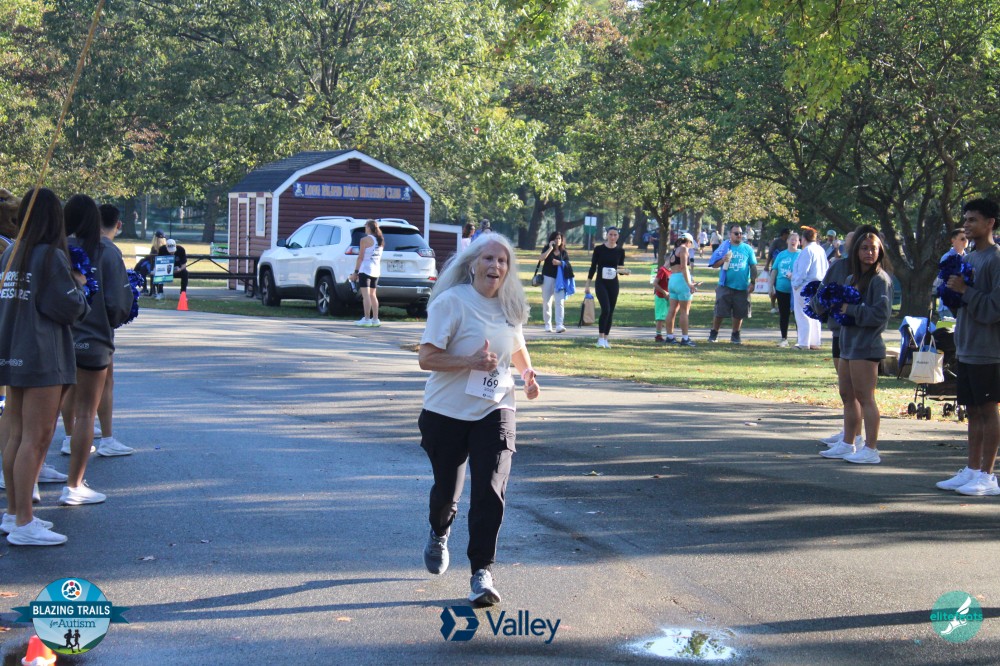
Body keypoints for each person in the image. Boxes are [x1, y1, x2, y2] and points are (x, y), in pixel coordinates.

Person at [417, 233, 540, 606]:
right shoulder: (451, 302)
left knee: (490, 488)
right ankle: (440, 531)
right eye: (488, 258)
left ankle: (481, 573)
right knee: (446, 493)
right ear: (472, 264)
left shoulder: (509, 305)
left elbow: (515, 344)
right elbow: (426, 357)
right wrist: (469, 362)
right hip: (446, 412)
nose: (495, 266)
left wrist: (527, 373)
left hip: (496, 406)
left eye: (502, 261)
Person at [0, 188, 89, 545]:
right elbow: (68, 307)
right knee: (36, 438)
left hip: (13, 350)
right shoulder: (50, 257)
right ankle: (24, 522)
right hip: (42, 355)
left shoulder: (10, 252)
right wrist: (80, 287)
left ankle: (13, 513)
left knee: (16, 434)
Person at [60, 195, 135, 507]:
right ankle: (74, 485)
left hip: (57, 339)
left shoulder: (55, 248)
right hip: (93, 339)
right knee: (85, 413)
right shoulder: (106, 251)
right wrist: (112, 319)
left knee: (44, 413)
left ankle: (31, 479)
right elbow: (118, 302)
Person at [937, 199, 1000, 495]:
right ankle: (972, 469)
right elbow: (962, 301)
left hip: (989, 350)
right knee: (972, 410)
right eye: (965, 219)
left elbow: (994, 308)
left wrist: (965, 291)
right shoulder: (970, 258)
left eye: (973, 219)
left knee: (988, 410)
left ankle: (988, 475)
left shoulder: (996, 259)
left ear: (990, 223)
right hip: (967, 345)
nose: (966, 225)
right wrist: (952, 292)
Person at [820, 225, 893, 464]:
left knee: (865, 397)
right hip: (848, 344)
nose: (869, 253)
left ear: (880, 252)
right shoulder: (851, 278)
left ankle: (871, 449)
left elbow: (880, 314)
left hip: (866, 346)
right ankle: (848, 442)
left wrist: (850, 309)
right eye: (864, 248)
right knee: (847, 395)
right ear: (856, 251)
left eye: (873, 249)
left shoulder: (880, 280)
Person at [817, 232, 866, 450]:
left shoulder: (872, 272)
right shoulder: (840, 266)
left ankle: (856, 436)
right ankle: (850, 431)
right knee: (847, 389)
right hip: (840, 330)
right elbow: (823, 292)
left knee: (854, 389)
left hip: (856, 333)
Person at [708, 225, 757, 344]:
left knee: (739, 313)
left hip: (742, 286)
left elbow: (753, 266)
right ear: (730, 234)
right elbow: (714, 265)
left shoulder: (747, 248)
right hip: (725, 285)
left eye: (740, 233)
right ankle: (714, 333)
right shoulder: (724, 247)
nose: (739, 235)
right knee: (719, 311)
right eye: (736, 233)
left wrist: (753, 282)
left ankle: (735, 334)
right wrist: (723, 260)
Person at [585, 227, 630, 348]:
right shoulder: (599, 249)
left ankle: (606, 339)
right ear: (607, 235)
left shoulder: (620, 251)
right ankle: (600, 338)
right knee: (606, 309)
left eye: (615, 235)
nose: (613, 237)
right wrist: (587, 284)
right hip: (601, 283)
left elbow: (620, 268)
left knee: (611, 311)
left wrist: (625, 272)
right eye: (610, 234)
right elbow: (593, 267)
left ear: (618, 236)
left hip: (613, 284)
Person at [791, 227, 829, 349]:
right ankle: (815, 341)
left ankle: (803, 342)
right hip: (819, 284)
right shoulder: (820, 249)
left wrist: (796, 284)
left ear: (803, 239)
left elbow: (803, 271)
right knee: (815, 314)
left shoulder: (807, 251)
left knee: (803, 314)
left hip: (806, 285)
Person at [662, 233, 698, 346]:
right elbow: (684, 267)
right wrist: (689, 283)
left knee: (672, 310)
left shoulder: (674, 251)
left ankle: (669, 336)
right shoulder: (684, 249)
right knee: (684, 311)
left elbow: (665, 267)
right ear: (689, 242)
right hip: (682, 281)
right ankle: (685, 338)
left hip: (673, 280)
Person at [768, 232, 800, 347]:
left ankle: (800, 339)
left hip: (796, 289)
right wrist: (770, 287)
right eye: (791, 239)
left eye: (796, 239)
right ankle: (784, 339)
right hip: (781, 289)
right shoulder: (781, 255)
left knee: (797, 315)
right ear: (787, 241)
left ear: (799, 242)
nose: (793, 241)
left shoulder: (801, 254)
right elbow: (774, 271)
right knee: (784, 314)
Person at [351, 219, 384, 327]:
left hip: (365, 269)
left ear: (369, 227)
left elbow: (360, 257)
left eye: (366, 226)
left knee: (366, 296)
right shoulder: (380, 240)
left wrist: (355, 272)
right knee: (373, 295)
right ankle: (375, 319)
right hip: (376, 270)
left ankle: (366, 319)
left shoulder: (364, 240)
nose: (365, 228)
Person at [539, 231, 569, 333]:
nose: (558, 240)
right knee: (547, 302)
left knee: (560, 302)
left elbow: (568, 265)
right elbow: (541, 258)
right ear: (552, 239)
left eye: (559, 238)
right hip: (547, 277)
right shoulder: (547, 248)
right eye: (556, 238)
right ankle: (548, 325)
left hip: (559, 280)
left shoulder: (563, 252)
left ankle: (559, 325)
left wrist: (560, 263)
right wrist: (550, 248)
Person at [936, 228, 969, 319]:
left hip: (962, 304)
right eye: (962, 239)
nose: (966, 241)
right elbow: (943, 281)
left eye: (967, 238)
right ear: (953, 240)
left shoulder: (968, 258)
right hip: (948, 306)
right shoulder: (947, 257)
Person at [764, 228, 791, 313]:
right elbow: (770, 253)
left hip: (787, 268)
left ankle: (783, 306)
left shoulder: (789, 242)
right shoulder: (776, 242)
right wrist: (767, 265)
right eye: (788, 234)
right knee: (775, 287)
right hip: (776, 267)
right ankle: (773, 306)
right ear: (784, 234)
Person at [134, 231, 166, 295]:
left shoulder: (159, 248)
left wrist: (146, 257)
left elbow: (152, 258)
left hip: (157, 267)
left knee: (143, 268)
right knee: (143, 267)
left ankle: (146, 288)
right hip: (156, 266)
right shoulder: (160, 247)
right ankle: (145, 288)